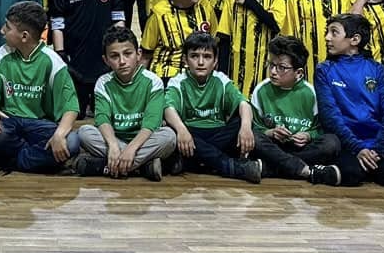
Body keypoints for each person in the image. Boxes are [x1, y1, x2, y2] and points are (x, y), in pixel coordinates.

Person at [0, 1, 82, 175]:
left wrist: (59, 135)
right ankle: (37, 160)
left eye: (7, 27)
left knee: (72, 142)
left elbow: (71, 107)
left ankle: (11, 161)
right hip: (10, 121)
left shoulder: (53, 61)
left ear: (24, 36)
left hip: (41, 124)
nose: (2, 31)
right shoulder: (3, 53)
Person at [313, 14, 384, 189]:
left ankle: (367, 163)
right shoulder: (324, 70)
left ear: (355, 40)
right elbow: (330, 117)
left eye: (334, 33)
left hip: (375, 143)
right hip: (345, 143)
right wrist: (357, 148)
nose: (327, 37)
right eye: (327, 32)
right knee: (352, 175)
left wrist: (379, 150)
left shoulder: (377, 69)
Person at [79, 27, 175, 180]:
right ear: (106, 60)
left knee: (169, 136)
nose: (122, 61)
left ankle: (106, 166)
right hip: (115, 139)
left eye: (127, 54)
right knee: (84, 133)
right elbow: (102, 119)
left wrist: (131, 149)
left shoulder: (153, 81)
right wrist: (113, 146)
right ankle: (143, 167)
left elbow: (151, 122)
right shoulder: (103, 82)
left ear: (138, 54)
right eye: (114, 56)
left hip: (145, 140)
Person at [164, 29, 260, 183]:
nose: (201, 62)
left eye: (207, 57)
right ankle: (232, 167)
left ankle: (192, 163)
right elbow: (168, 108)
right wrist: (181, 130)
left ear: (215, 62)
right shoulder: (177, 82)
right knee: (170, 129)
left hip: (217, 134)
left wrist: (246, 127)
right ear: (185, 60)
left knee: (241, 121)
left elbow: (243, 103)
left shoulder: (221, 80)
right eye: (194, 56)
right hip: (190, 134)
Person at [248, 35, 342, 184]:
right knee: (254, 138)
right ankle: (305, 170)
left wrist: (308, 136)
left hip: (301, 149)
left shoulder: (311, 93)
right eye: (271, 65)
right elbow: (255, 128)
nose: (273, 71)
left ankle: (271, 168)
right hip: (274, 147)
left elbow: (320, 129)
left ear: (299, 73)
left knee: (332, 142)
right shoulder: (261, 90)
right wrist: (271, 133)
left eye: (281, 67)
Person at [215, 0, 286, 92]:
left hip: (266, 69)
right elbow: (224, 39)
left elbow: (275, 24)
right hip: (237, 73)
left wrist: (250, 2)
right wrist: (222, 77)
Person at [141, 0, 211, 81]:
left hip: (199, 75)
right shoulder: (159, 14)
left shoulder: (205, 6)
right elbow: (146, 54)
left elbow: (214, 44)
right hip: (167, 75)